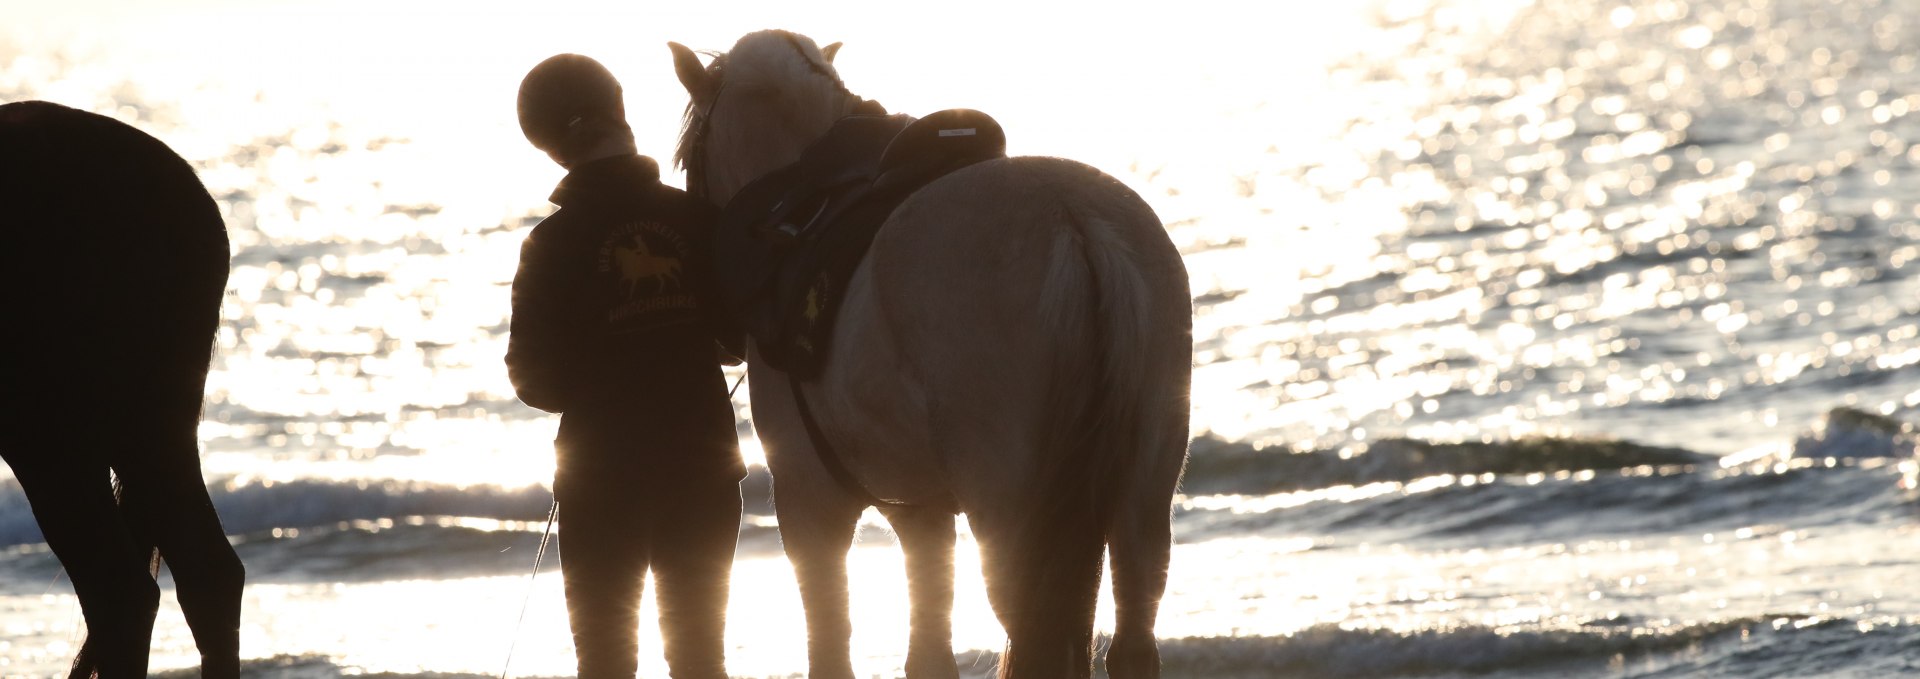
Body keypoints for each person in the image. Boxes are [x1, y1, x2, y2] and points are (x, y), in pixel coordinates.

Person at [505, 53, 745, 679]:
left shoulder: (550, 245)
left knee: (606, 665)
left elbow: (533, 379)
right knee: (700, 660)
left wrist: (607, 367)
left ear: (548, 146)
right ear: (621, 111)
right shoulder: (697, 219)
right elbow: (740, 336)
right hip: (703, 466)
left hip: (600, 482)